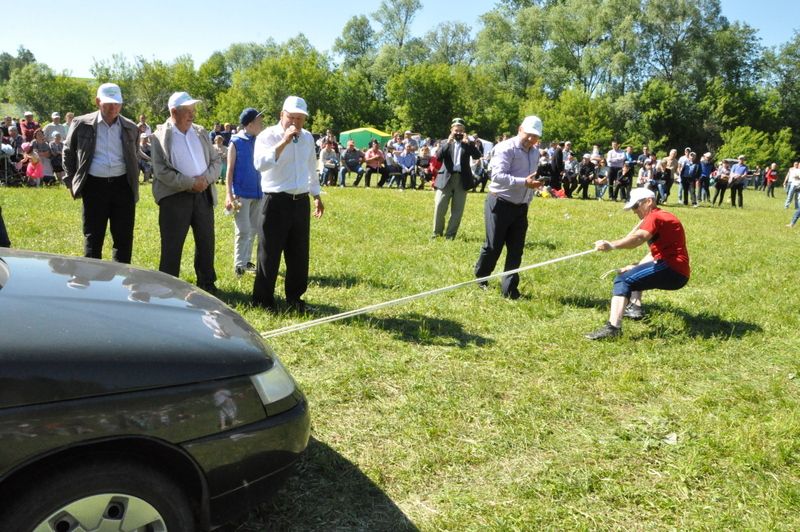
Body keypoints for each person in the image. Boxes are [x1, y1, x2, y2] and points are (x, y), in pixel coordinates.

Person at [585, 187, 690, 340]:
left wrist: (612, 245)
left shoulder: (655, 217)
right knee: (634, 269)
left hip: (671, 268)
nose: (634, 211)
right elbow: (653, 253)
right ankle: (635, 308)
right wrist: (637, 266)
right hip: (676, 270)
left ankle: (613, 328)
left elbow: (639, 238)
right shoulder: (662, 217)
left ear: (649, 201)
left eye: (635, 206)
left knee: (623, 280)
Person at [252, 95, 324, 312]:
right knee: (269, 253)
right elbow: (260, 164)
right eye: (291, 117)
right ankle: (263, 301)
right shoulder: (267, 136)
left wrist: (316, 195)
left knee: (299, 254)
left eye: (300, 119)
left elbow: (311, 167)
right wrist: (283, 141)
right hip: (275, 201)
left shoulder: (308, 138)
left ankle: (295, 299)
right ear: (281, 115)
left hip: (300, 201)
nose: (295, 123)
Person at [151, 91, 221, 292]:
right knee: (172, 244)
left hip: (203, 194)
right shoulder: (160, 136)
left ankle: (207, 283)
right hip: (175, 197)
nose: (192, 115)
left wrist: (205, 180)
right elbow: (161, 171)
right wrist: (190, 183)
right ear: (174, 112)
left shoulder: (199, 131)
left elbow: (216, 160)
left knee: (206, 241)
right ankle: (168, 285)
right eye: (187, 111)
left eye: (193, 110)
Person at [63, 83, 140, 263]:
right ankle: (92, 282)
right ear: (98, 102)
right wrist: (71, 181)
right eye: (108, 103)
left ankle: (120, 282)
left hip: (123, 186)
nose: (114, 107)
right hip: (94, 185)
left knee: (124, 237)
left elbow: (134, 155)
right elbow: (68, 151)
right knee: (93, 235)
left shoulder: (130, 126)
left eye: (117, 103)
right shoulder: (81, 124)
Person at [474, 115, 543, 299]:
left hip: (521, 207)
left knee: (516, 249)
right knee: (493, 245)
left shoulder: (535, 153)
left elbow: (530, 178)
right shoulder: (506, 147)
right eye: (528, 134)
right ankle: (481, 278)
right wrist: (525, 183)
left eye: (535, 136)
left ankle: (510, 289)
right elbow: (497, 176)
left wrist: (532, 189)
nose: (531, 139)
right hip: (500, 202)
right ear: (520, 129)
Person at [225, 107, 264, 277]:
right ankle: (239, 267)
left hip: (258, 193)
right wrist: (229, 194)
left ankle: (247, 262)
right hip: (241, 193)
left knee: (254, 229)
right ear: (249, 124)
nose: (261, 124)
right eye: (258, 121)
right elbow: (229, 170)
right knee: (243, 230)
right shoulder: (236, 142)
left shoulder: (260, 141)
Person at [432, 118, 482, 239]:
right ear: (451, 130)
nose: (458, 133)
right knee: (439, 206)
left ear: (464, 132)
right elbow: (438, 157)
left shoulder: (467, 144)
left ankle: (450, 235)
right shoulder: (445, 142)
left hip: (462, 180)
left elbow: (477, 155)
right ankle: (436, 234)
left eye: (461, 131)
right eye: (456, 130)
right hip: (445, 179)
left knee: (457, 210)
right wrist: (448, 143)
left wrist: (469, 143)